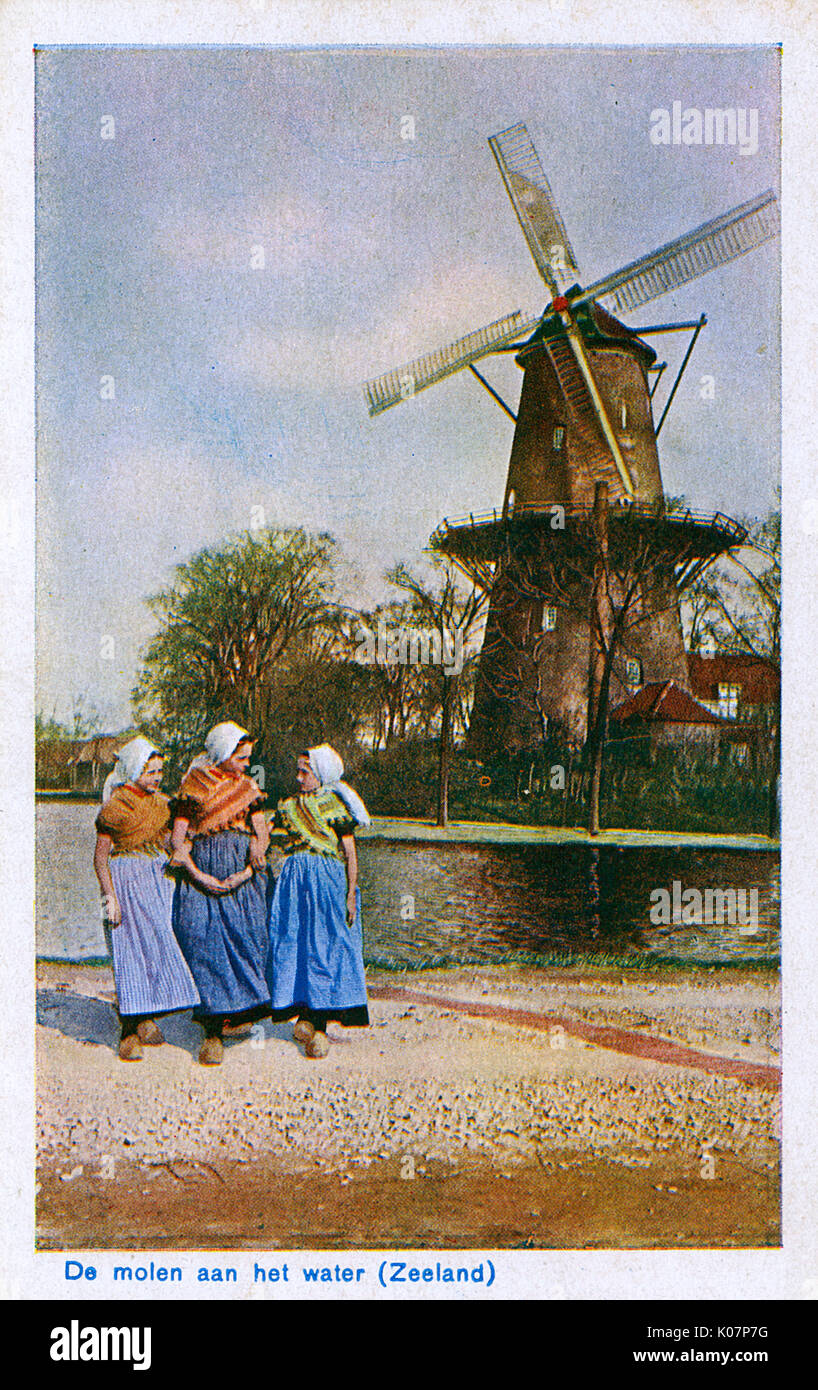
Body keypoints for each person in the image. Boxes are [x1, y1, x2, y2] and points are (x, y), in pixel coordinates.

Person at [93, 736, 200, 1061]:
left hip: (156, 881)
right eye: (150, 771)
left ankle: (147, 1015)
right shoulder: (116, 805)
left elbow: (168, 839)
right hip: (124, 881)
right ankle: (129, 1030)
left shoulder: (164, 805)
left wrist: (185, 845)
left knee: (157, 945)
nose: (156, 777)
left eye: (159, 771)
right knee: (128, 950)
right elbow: (100, 857)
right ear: (133, 769)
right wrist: (109, 896)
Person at [170, 721, 270, 1065]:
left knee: (247, 938)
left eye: (247, 759)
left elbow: (261, 833)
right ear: (223, 754)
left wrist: (248, 867)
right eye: (240, 758)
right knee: (203, 941)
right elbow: (178, 838)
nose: (246, 764)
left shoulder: (248, 788)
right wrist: (200, 877)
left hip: (242, 878)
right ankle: (212, 1030)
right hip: (203, 877)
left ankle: (239, 1015)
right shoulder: (193, 785)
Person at [266, 744, 370, 1059]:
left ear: (320, 776)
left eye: (305, 773)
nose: (299, 778)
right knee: (294, 943)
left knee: (327, 946)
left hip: (327, 881)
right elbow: (270, 841)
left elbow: (350, 853)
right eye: (297, 772)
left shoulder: (333, 805)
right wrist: (273, 869)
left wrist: (350, 892)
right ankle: (305, 1014)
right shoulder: (287, 807)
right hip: (294, 882)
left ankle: (322, 1026)